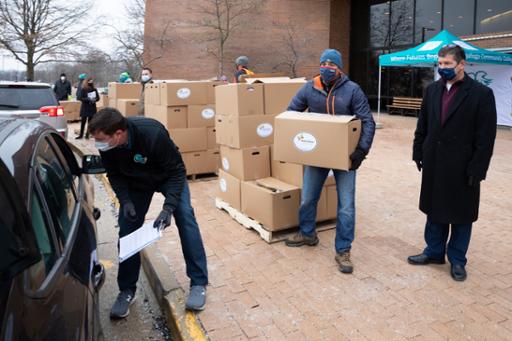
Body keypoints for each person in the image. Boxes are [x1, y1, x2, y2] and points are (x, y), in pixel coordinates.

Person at [88, 108, 209, 319]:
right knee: (127, 228)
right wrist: (125, 201)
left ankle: (198, 282)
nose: (97, 144)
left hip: (167, 177)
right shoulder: (107, 145)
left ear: (118, 133)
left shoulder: (152, 133)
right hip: (136, 183)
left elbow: (177, 171)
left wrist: (168, 208)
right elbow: (114, 174)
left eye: (100, 139)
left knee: (186, 217)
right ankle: (127, 290)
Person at [408, 44, 497, 282]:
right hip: (435, 162)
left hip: (463, 166)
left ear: (461, 64)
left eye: (447, 63)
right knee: (435, 210)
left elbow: (486, 138)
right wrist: (418, 150)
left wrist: (478, 168)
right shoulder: (432, 90)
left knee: (461, 214)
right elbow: (423, 124)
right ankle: (434, 252)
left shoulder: (481, 94)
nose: (442, 68)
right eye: (440, 63)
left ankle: (457, 259)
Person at [284, 49, 376, 274]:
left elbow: (367, 121)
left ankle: (343, 249)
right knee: (308, 198)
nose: (327, 67)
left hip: (346, 157)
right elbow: (291, 113)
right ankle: (307, 233)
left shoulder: (352, 90)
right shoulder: (309, 87)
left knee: (346, 206)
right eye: (323, 62)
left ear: (340, 67)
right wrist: (302, 136)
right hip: (317, 154)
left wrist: (361, 151)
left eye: (332, 64)